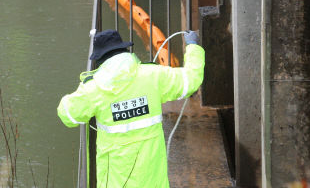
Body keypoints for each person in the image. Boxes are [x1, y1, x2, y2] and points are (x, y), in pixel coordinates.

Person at [57, 29, 205, 188]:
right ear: (124, 50)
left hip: (116, 180)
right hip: (152, 176)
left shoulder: (95, 89)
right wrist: (192, 46)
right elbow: (191, 80)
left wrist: (84, 86)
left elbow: (67, 114)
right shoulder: (152, 75)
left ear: (100, 60)